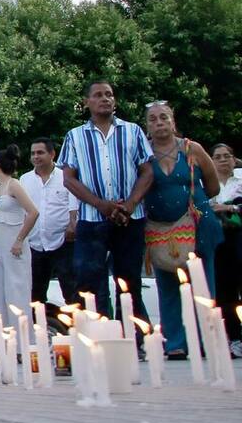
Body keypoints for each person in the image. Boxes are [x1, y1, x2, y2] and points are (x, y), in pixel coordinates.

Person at [58, 81, 154, 321]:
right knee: (88, 279)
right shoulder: (75, 136)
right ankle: (96, 332)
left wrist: (131, 204)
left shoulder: (133, 131)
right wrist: (101, 204)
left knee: (129, 279)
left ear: (115, 101)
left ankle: (135, 336)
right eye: (98, 95)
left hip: (129, 217)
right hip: (92, 219)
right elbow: (69, 179)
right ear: (87, 102)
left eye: (109, 94)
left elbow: (148, 171)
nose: (105, 99)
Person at [143, 102, 221, 358]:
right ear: (147, 126)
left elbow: (213, 186)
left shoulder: (191, 148)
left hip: (197, 225)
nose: (159, 123)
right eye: (153, 119)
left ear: (173, 121)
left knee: (203, 284)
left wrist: (191, 204)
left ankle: (207, 341)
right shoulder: (144, 153)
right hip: (161, 229)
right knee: (167, 284)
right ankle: (174, 342)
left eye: (164, 117)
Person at [0, 145, 39, 330]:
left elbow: (33, 212)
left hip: (13, 244)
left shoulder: (14, 185)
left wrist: (20, 239)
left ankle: (22, 340)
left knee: (16, 292)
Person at [20, 137, 78, 306]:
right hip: (35, 243)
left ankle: (79, 329)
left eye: (40, 152)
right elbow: (24, 211)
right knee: (35, 296)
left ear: (52, 154)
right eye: (32, 153)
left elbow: (73, 204)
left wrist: (72, 224)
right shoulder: (25, 180)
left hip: (63, 242)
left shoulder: (65, 177)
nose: (36, 157)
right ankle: (39, 330)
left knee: (72, 291)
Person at [209, 143, 242, 356]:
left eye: (226, 156)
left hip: (239, 237)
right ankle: (234, 338)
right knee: (224, 289)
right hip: (218, 240)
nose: (223, 160)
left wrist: (229, 207)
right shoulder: (207, 184)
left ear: (234, 159)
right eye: (218, 156)